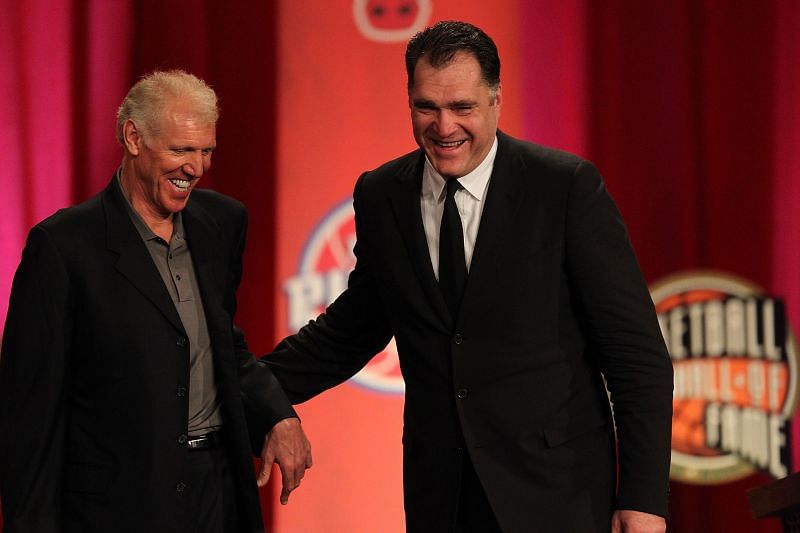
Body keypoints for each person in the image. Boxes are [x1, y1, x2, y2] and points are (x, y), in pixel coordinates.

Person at [255, 21, 673, 533]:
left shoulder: (563, 189)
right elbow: (352, 330)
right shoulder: (383, 194)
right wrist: (253, 389)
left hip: (555, 496)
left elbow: (635, 355)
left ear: (496, 101)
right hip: (441, 499)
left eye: (463, 108)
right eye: (426, 107)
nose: (444, 126)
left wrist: (644, 499)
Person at [0, 70, 312, 533]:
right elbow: (30, 411)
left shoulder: (221, 224)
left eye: (206, 150)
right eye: (181, 150)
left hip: (216, 492)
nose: (197, 168)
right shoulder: (64, 246)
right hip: (117, 504)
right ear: (133, 138)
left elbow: (222, 345)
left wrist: (277, 414)